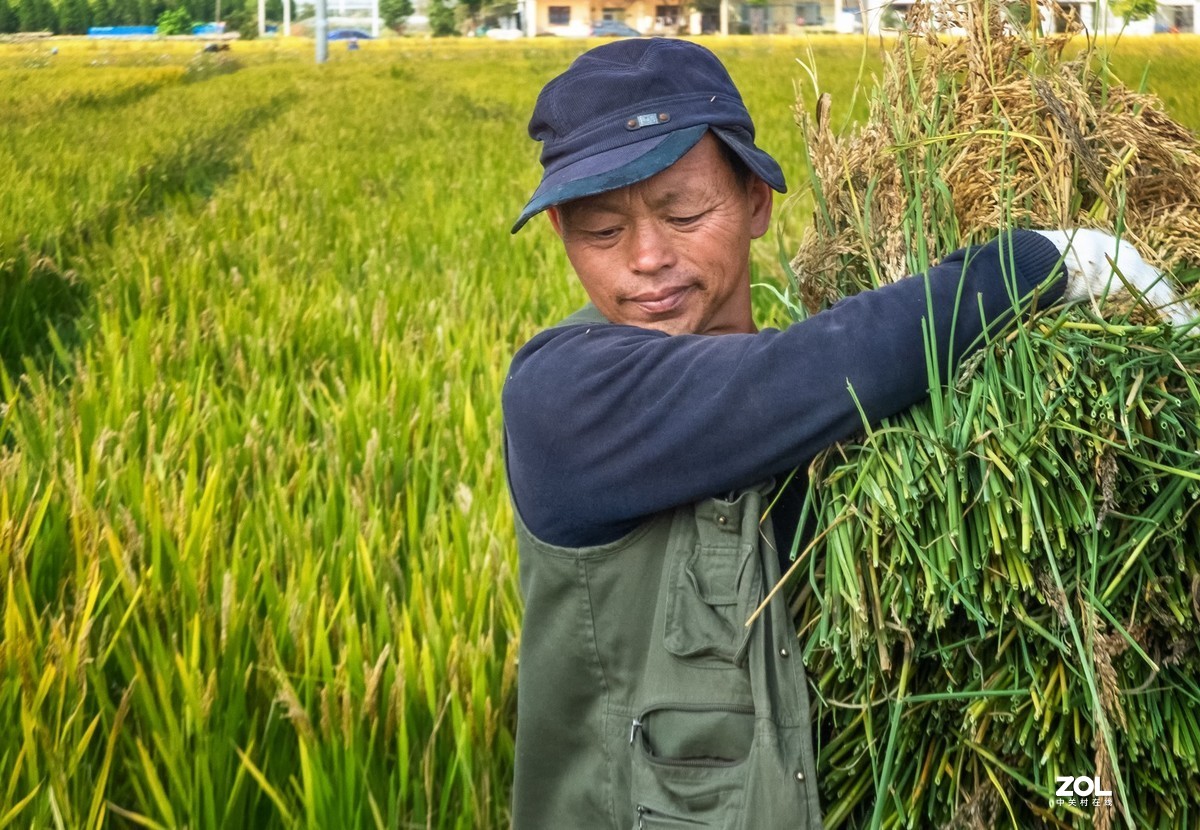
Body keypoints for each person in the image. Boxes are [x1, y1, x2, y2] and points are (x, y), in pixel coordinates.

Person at [502, 37, 1177, 830]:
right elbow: (806, 372)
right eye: (601, 232)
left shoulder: (841, 400)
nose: (647, 258)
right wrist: (1050, 262)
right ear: (560, 232)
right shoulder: (564, 395)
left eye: (684, 214)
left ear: (757, 201)